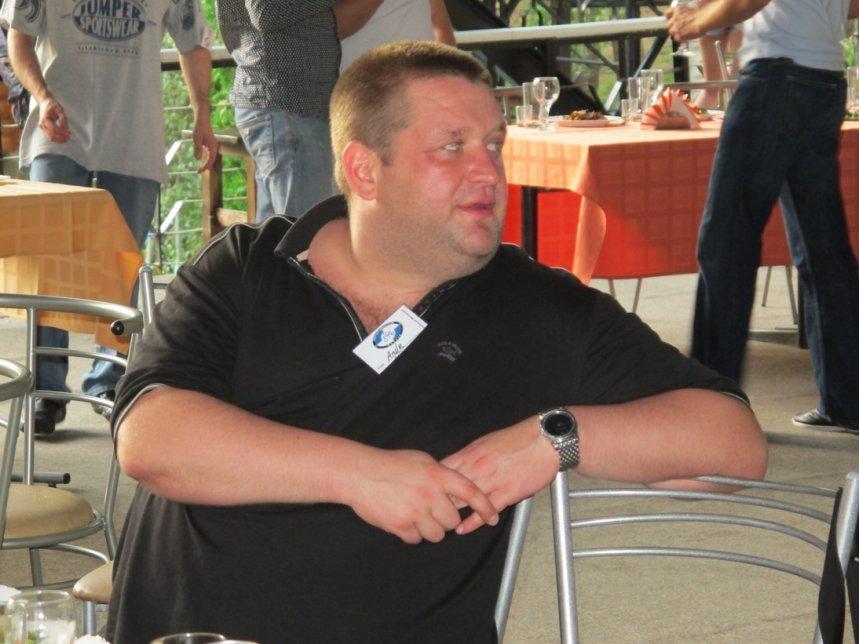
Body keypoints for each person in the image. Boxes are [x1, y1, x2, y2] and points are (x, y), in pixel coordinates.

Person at [107, 42, 767, 642]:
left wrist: (554, 438)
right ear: (364, 170)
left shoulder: (536, 307)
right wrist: (361, 476)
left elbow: (732, 444)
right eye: (452, 148)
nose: (488, 173)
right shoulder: (248, 267)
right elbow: (151, 438)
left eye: (493, 145)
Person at [0, 0, 218, 434]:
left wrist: (202, 115)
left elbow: (194, 43)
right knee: (50, 269)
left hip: (134, 137)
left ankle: (107, 381)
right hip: (56, 133)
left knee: (123, 265)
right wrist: (41, 96)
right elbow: (18, 38)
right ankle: (46, 392)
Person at [668, 0, 859, 434]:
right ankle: (847, 399)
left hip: (777, 79)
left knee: (725, 242)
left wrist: (697, 20)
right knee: (823, 248)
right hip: (824, 79)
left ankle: (712, 407)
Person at [215, 0, 381, 222]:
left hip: (284, 105)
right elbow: (266, 11)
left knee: (280, 234)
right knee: (305, 234)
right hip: (287, 105)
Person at [338, 0, 456, 72]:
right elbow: (332, 27)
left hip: (424, 81)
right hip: (365, 88)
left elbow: (437, 19)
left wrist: (450, 70)